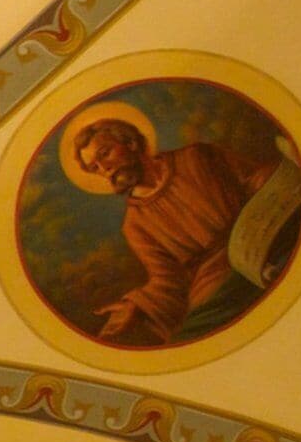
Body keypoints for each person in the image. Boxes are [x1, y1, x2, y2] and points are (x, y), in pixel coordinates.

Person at [72, 115, 284, 344]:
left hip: (257, 237)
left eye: (105, 154)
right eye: (95, 167)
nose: (105, 169)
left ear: (131, 143)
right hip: (214, 282)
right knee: (195, 332)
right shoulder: (135, 224)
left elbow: (254, 179)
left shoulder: (196, 157)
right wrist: (136, 306)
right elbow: (168, 281)